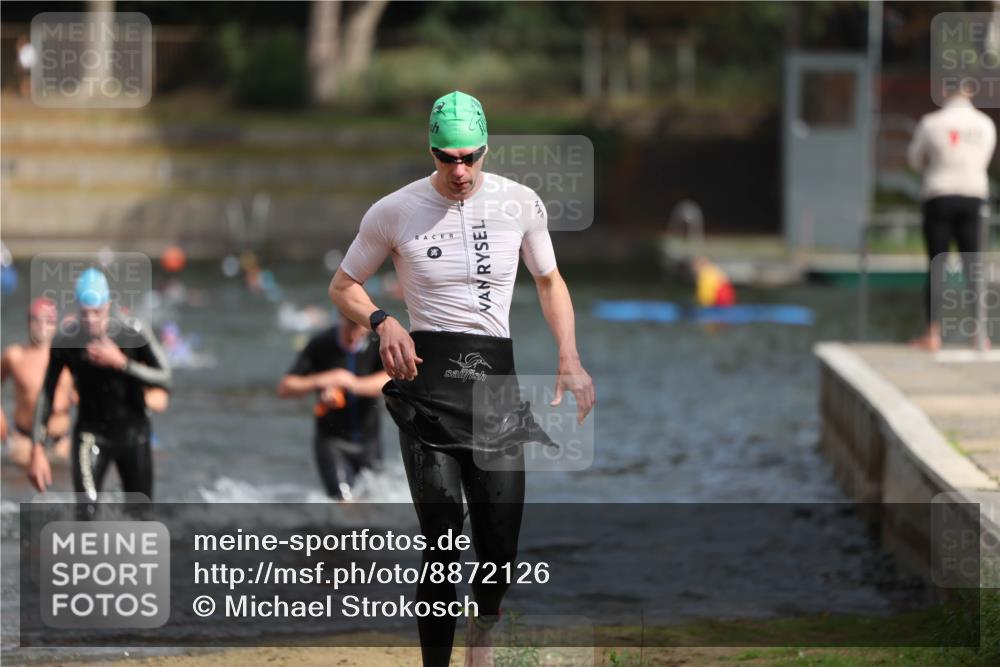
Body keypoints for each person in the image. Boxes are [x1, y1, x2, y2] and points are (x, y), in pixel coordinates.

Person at [329, 91, 595, 667]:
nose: (459, 170)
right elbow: (343, 286)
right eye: (447, 158)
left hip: (496, 394)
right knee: (442, 539)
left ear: (486, 149)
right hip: (428, 391)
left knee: (499, 548)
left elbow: (550, 282)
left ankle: (483, 627)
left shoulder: (520, 202)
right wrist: (383, 322)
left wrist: (569, 354)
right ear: (431, 151)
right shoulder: (393, 211)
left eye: (470, 157)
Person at [27, 268, 172, 502]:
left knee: (140, 514)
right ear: (77, 308)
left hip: (135, 435)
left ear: (108, 305)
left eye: (97, 312)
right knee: (86, 513)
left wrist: (122, 363)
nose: (92, 320)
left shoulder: (132, 331)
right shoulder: (67, 340)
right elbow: (47, 393)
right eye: (85, 313)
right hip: (90, 435)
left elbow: (165, 377)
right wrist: (37, 448)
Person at [907, 85, 996, 351]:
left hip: (939, 196)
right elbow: (985, 159)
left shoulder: (931, 123)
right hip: (974, 198)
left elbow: (914, 160)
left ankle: (933, 334)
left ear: (945, 91)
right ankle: (979, 334)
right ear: (970, 90)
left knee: (937, 265)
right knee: (973, 267)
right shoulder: (985, 124)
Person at [277, 312, 389, 500]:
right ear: (340, 318)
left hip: (369, 441)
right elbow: (285, 387)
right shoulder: (321, 344)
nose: (354, 334)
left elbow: (392, 380)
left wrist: (352, 384)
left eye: (359, 327)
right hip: (332, 442)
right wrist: (322, 381)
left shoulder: (377, 343)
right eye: (349, 325)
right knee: (343, 501)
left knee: (371, 502)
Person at [2, 297, 76, 466]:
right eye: (37, 320)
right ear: (28, 322)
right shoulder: (14, 356)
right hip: (24, 443)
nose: (42, 325)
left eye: (48, 320)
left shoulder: (69, 356)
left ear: (55, 323)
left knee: (67, 480)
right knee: (15, 480)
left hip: (60, 443)